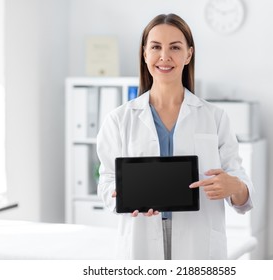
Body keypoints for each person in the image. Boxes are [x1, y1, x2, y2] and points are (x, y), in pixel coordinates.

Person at [96, 13, 253, 260]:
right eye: (156, 47)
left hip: (198, 242)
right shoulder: (119, 120)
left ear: (188, 54)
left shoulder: (215, 117)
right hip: (141, 240)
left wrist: (235, 187)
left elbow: (242, 194)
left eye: (175, 47)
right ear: (144, 53)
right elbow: (106, 182)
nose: (164, 56)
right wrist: (120, 194)